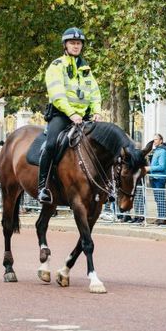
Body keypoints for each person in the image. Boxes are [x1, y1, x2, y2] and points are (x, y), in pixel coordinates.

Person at [37, 27, 103, 204]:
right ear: (65, 45)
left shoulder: (86, 69)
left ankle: (103, 186)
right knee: (50, 145)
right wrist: (72, 113)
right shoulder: (57, 66)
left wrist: (96, 111)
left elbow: (95, 93)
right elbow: (57, 94)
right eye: (72, 43)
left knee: (102, 145)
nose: (76, 46)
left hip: (84, 117)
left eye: (79, 43)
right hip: (62, 115)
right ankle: (42, 186)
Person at [147, 133, 166, 225]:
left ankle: (163, 219)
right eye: (154, 139)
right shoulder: (156, 150)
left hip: (159, 178)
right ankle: (160, 217)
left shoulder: (163, 152)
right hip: (154, 178)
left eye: (156, 139)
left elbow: (162, 166)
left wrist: (149, 168)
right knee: (158, 199)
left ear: (161, 140)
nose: (154, 141)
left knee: (161, 199)